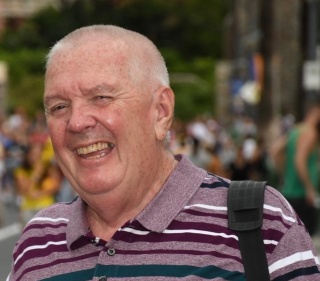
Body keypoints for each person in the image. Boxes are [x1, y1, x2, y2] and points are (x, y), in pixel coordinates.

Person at [7, 25, 320, 281]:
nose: (76, 122)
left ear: (161, 112)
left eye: (101, 97)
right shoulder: (37, 242)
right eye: (59, 107)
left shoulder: (260, 223)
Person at [280, 101, 320, 236]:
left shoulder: (295, 131)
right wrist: (309, 188)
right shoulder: (311, 133)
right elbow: (299, 160)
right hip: (302, 195)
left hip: (288, 192)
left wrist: (284, 173)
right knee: (307, 239)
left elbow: (275, 150)